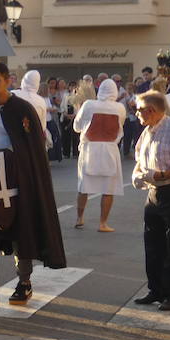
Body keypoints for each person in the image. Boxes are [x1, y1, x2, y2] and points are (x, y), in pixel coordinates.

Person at [0, 61, 66, 308]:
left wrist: (15, 164)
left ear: (8, 81)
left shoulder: (22, 109)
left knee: (22, 232)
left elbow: (33, 150)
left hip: (17, 181)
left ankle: (24, 282)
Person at [131, 91, 170, 313]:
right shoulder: (148, 130)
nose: (136, 114)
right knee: (153, 244)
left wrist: (161, 175)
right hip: (154, 193)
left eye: (139, 110)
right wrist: (138, 174)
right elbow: (139, 158)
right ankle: (155, 289)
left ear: (151, 110)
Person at [73, 79, 124, 232]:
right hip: (110, 149)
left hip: (90, 148)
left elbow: (77, 126)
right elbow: (120, 127)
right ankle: (103, 223)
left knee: (84, 186)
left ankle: (79, 218)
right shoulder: (120, 107)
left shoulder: (89, 104)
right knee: (108, 188)